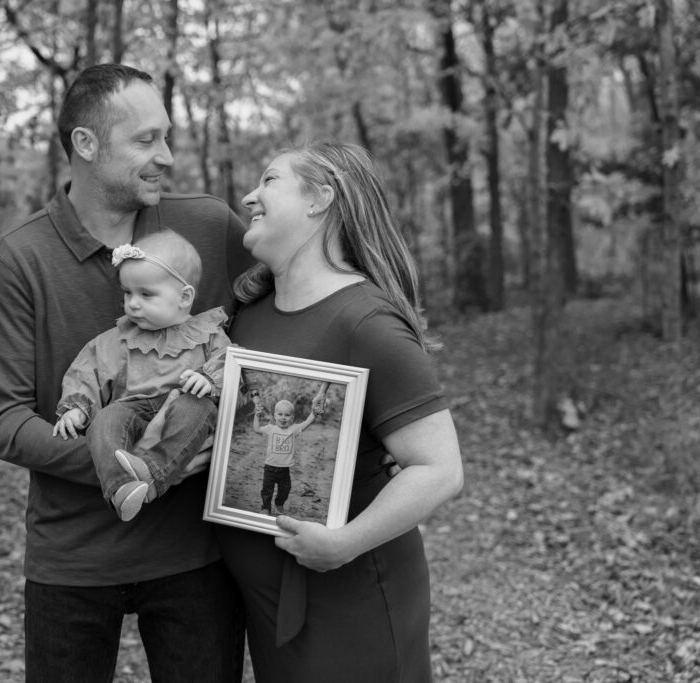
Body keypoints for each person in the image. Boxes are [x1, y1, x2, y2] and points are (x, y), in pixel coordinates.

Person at [0, 64, 252, 682]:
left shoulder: (210, 226)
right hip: (70, 563)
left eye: (167, 138)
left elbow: (293, 309)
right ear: (86, 144)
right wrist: (130, 462)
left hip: (195, 557)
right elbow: (4, 422)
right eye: (146, 140)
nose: (167, 157)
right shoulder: (21, 257)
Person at [215, 140, 464, 682]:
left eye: (269, 180)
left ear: (320, 200)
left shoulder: (365, 321)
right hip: (265, 606)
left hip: (352, 603)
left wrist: (344, 543)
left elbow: (440, 469)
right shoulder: (249, 313)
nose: (249, 195)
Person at [53, 230, 231, 522]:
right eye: (127, 292)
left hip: (183, 405)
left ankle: (153, 473)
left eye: (146, 294)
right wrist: (76, 408)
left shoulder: (208, 335)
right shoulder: (119, 339)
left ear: (184, 297)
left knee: (196, 407)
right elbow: (89, 369)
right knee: (106, 420)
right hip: (133, 407)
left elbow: (231, 364)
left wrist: (210, 379)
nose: (133, 303)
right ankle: (121, 487)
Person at [251, 396, 317, 515]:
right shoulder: (270, 428)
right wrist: (256, 415)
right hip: (270, 467)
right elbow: (256, 429)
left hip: (284, 469)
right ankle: (265, 507)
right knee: (267, 490)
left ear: (292, 418)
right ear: (275, 416)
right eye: (280, 414)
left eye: (287, 415)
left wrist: (314, 412)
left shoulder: (293, 429)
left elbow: (307, 422)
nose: (283, 418)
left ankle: (279, 503)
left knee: (285, 489)